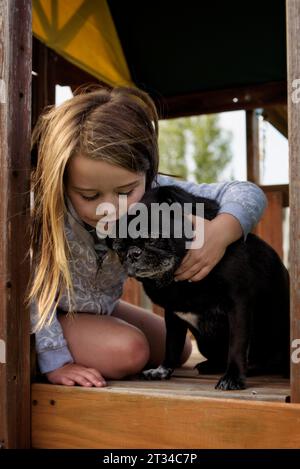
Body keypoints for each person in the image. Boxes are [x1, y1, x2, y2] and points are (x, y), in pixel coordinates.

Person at [28, 85, 267, 388]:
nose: (110, 208)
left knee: (180, 349)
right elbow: (35, 294)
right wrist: (56, 361)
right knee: (130, 351)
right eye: (89, 195)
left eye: (126, 192)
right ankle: (38, 350)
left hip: (97, 306)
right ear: (62, 181)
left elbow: (247, 193)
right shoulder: (50, 211)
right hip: (46, 311)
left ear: (147, 173)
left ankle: (88, 335)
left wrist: (221, 231)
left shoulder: (155, 190)